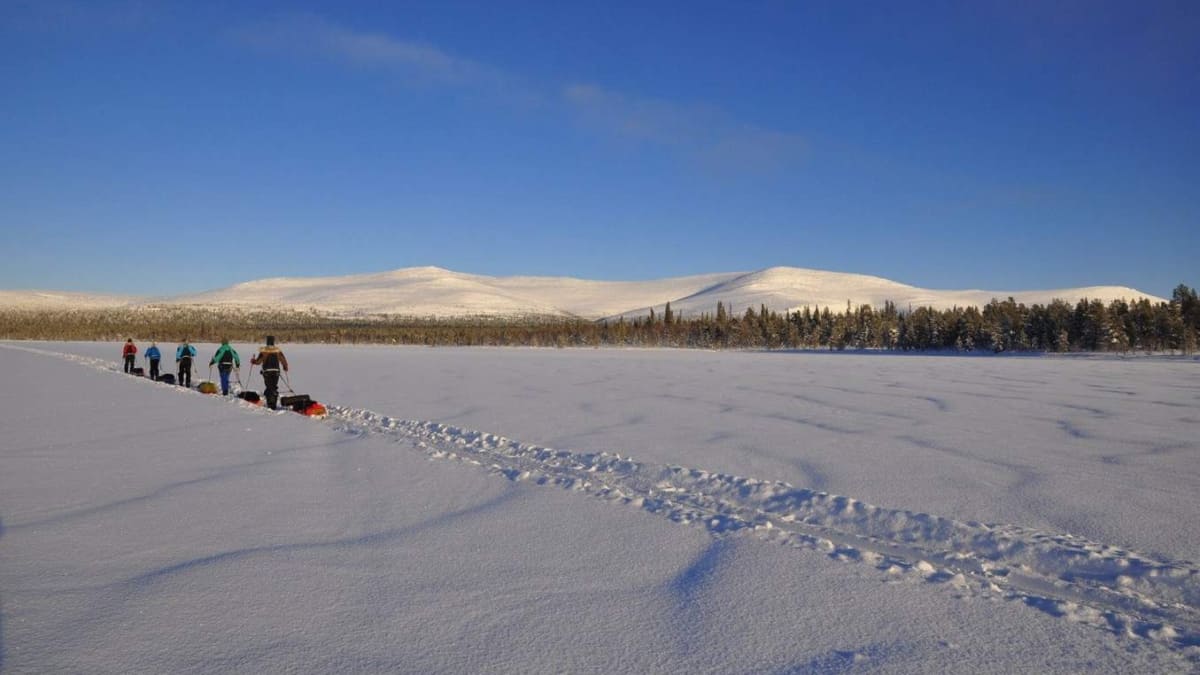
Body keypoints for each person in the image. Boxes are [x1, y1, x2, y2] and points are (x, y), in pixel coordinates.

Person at [250, 335, 289, 410]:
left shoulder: (264, 351)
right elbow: (283, 360)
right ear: (273, 341)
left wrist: (253, 361)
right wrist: (285, 367)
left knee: (269, 387)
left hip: (267, 372)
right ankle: (273, 403)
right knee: (273, 387)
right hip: (276, 372)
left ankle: (271, 404)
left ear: (267, 341)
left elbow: (258, 362)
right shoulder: (277, 350)